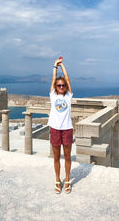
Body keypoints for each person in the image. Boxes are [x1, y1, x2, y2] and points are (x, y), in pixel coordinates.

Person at [48, 57, 73, 194]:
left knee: (68, 156)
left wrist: (62, 65)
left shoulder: (68, 96)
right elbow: (53, 80)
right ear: (56, 87)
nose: (62, 87)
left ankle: (67, 180)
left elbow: (68, 79)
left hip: (67, 129)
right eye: (59, 85)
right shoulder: (53, 95)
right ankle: (58, 180)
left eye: (63, 85)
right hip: (55, 129)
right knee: (56, 157)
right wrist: (54, 66)